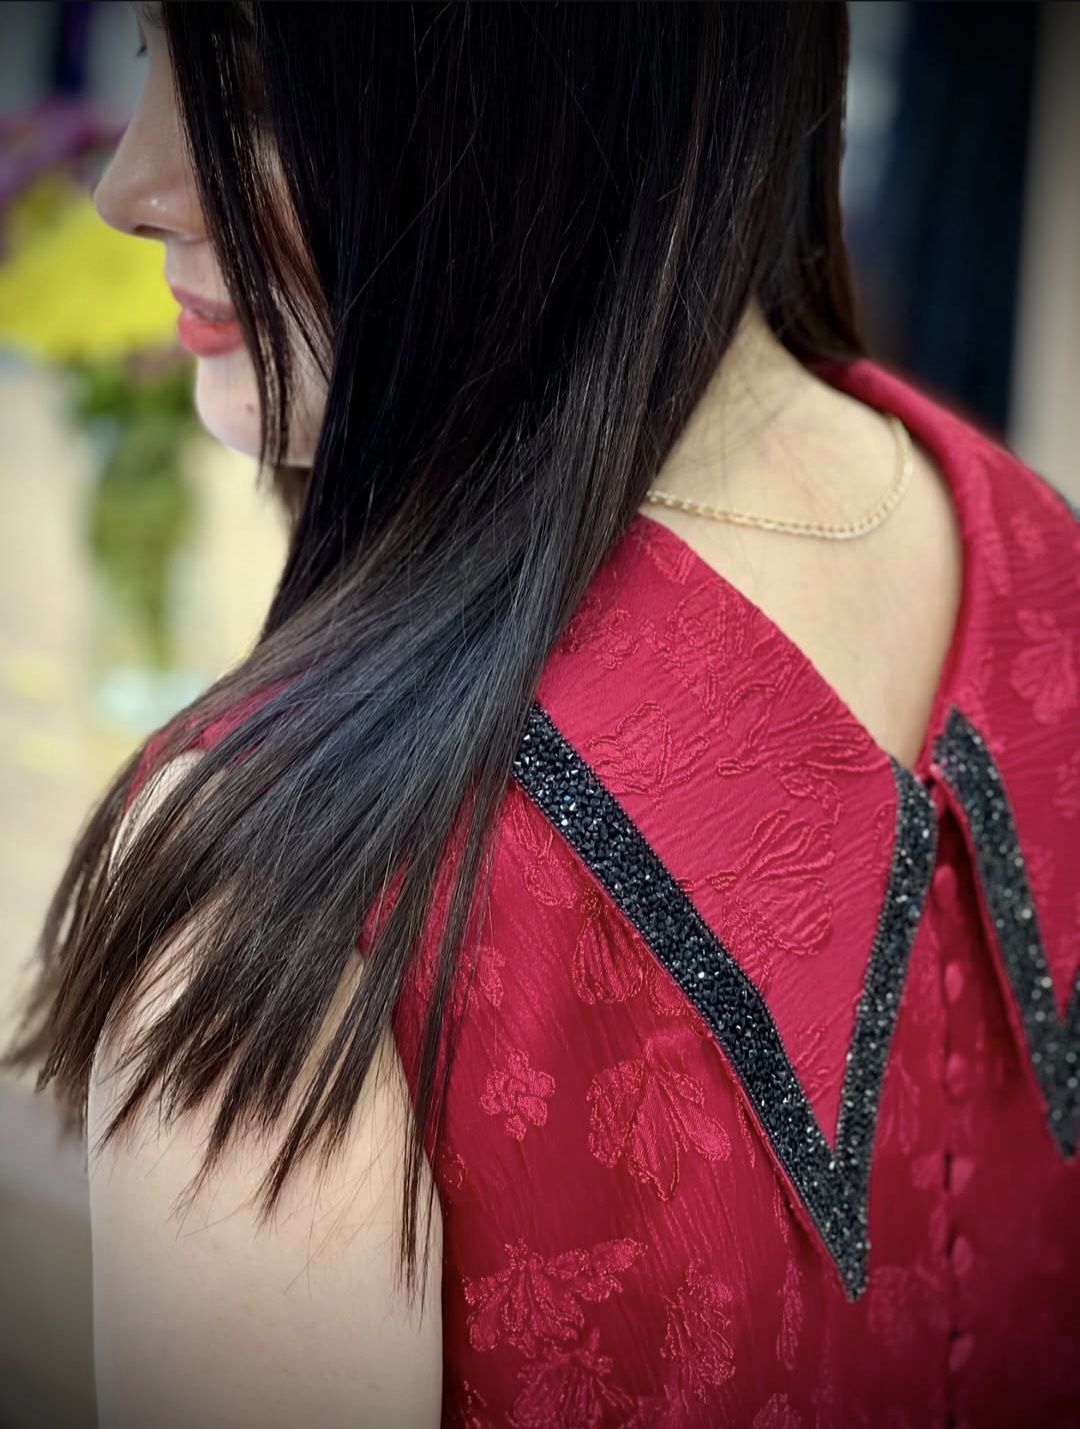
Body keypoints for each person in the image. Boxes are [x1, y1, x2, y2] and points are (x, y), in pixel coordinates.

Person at [4, 3, 1078, 1426]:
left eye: (253, 91)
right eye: (155, 59)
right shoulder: (1045, 561)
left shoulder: (280, 910)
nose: (129, 187)